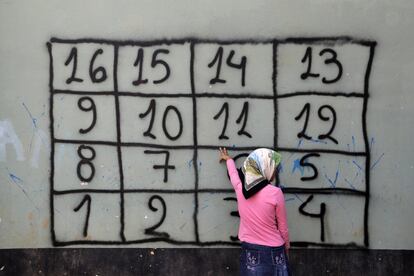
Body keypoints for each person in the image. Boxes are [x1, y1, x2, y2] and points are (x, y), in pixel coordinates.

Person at [219, 147, 291, 276]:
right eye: (274, 167)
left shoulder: (240, 188)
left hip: (250, 251)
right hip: (275, 251)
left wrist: (229, 160)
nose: (276, 171)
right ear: (264, 168)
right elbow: (283, 227)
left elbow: (233, 175)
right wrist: (286, 249)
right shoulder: (275, 193)